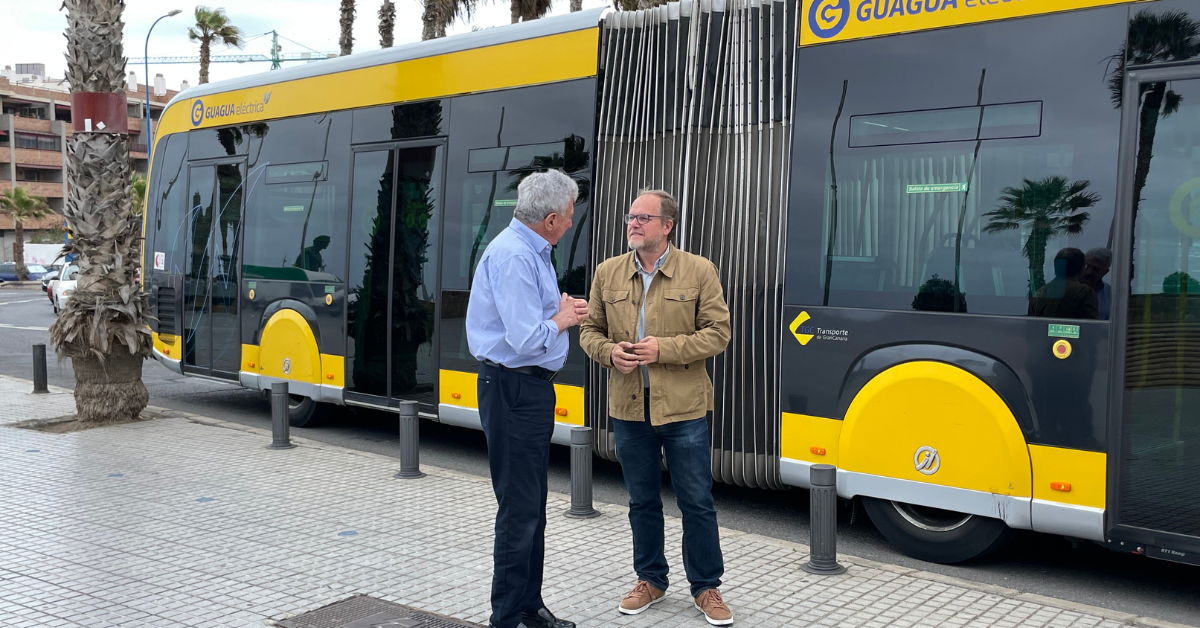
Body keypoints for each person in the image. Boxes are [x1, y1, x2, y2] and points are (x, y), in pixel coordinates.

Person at [579, 189, 733, 626]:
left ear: (667, 226)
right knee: (641, 501)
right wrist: (609, 353)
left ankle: (706, 587)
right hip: (627, 406)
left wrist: (661, 348)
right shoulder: (608, 272)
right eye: (630, 217)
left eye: (644, 218)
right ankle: (650, 579)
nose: (633, 224)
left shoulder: (699, 270)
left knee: (696, 501)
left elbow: (719, 334)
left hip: (684, 408)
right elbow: (589, 330)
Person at [466, 169, 587, 628]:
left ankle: (529, 607)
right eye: (570, 215)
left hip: (527, 389)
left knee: (531, 505)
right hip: (514, 388)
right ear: (551, 219)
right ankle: (507, 617)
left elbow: (534, 319)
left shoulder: (534, 251)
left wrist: (560, 312)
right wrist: (561, 319)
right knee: (519, 510)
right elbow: (523, 338)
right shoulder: (517, 256)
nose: (573, 222)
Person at [1028, 247, 1097, 319]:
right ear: (1081, 268)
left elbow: (1032, 324)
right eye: (1085, 266)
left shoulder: (1039, 292)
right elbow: (1090, 326)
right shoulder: (1084, 292)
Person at [1082, 247, 1112, 320]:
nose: (1089, 272)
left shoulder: (1111, 294)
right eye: (1086, 266)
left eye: (1096, 269)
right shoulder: (1066, 289)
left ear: (1105, 272)